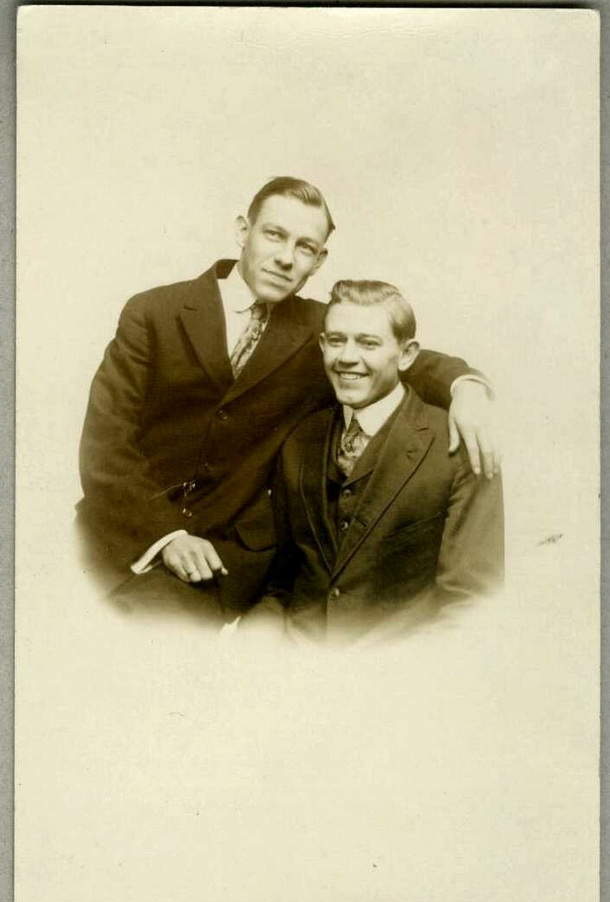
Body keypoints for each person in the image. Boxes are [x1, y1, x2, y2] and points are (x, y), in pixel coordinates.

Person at [77, 177, 499, 624]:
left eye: (305, 247)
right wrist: (167, 535)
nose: (285, 257)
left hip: (224, 564)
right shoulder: (154, 312)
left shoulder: (325, 333)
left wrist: (466, 386)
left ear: (319, 261)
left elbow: (403, 358)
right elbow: (106, 443)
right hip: (121, 534)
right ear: (243, 231)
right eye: (274, 235)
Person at [248, 280, 504, 641]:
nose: (347, 357)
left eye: (368, 343)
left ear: (407, 354)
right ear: (322, 344)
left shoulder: (459, 445)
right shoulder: (300, 440)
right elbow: (282, 585)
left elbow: (470, 603)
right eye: (336, 340)